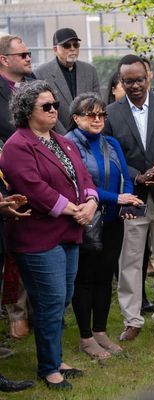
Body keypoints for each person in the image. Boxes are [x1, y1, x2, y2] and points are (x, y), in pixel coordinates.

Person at [0, 80, 98, 390]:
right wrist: (74, 209)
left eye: (55, 104)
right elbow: (33, 189)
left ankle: (54, 358)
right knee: (50, 300)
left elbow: (83, 175)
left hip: (69, 231)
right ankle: (49, 367)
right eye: (47, 106)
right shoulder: (18, 145)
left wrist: (92, 202)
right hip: (38, 236)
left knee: (61, 298)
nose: (55, 109)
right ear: (28, 111)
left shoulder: (63, 141)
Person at [103, 54, 154, 342]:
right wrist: (137, 175)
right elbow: (110, 153)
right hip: (132, 197)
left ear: (148, 77)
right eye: (128, 81)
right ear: (120, 82)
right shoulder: (110, 114)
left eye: (139, 79)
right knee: (130, 260)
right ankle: (132, 319)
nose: (134, 85)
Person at [65, 92, 143, 359]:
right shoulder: (68, 144)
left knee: (104, 278)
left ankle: (100, 331)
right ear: (76, 118)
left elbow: (125, 175)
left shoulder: (111, 142)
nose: (97, 119)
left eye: (101, 114)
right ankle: (85, 337)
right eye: (91, 114)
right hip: (84, 221)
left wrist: (127, 202)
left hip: (111, 221)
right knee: (84, 280)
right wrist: (116, 198)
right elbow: (79, 183)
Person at [0, 34, 35, 340]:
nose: (28, 58)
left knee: (41, 240)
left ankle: (41, 311)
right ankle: (17, 313)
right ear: (4, 60)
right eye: (22, 54)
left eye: (29, 53)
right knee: (15, 246)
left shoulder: (35, 85)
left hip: (40, 173)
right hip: (7, 178)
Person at [34, 28, 100, 134]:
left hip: (88, 134)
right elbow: (43, 110)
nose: (72, 48)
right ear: (55, 49)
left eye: (76, 45)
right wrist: (65, 138)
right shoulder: (41, 73)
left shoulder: (90, 71)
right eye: (67, 45)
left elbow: (97, 104)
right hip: (59, 136)